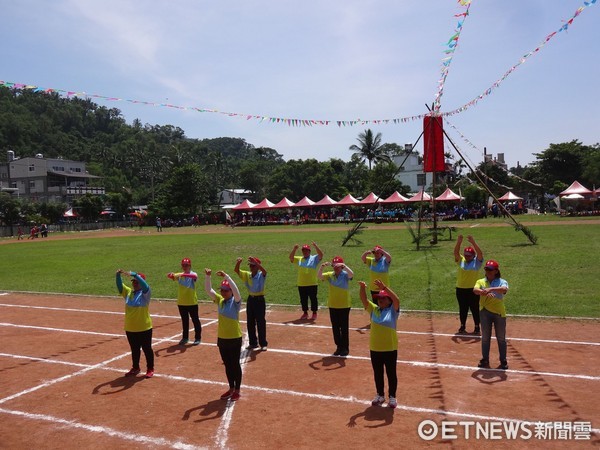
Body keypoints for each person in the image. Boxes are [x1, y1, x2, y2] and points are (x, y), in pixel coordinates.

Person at [358, 279, 400, 409]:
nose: (380, 300)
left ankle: (392, 397)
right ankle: (380, 395)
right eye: (378, 298)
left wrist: (385, 288)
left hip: (390, 348)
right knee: (378, 373)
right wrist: (363, 288)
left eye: (383, 298)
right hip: (375, 348)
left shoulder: (393, 311)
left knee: (391, 373)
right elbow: (364, 300)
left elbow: (397, 300)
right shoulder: (373, 309)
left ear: (388, 300)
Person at [204, 268, 243, 401]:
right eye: (222, 290)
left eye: (226, 290)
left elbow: (236, 290)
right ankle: (231, 387)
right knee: (227, 364)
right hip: (222, 339)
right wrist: (208, 276)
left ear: (231, 292)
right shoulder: (220, 300)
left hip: (235, 338)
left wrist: (227, 276)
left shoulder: (236, 302)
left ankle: (237, 389)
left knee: (235, 364)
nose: (223, 292)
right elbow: (209, 290)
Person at [115, 269, 154, 378]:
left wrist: (136, 275)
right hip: (130, 328)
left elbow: (145, 286)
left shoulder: (145, 293)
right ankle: (135, 367)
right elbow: (119, 286)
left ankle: (150, 368)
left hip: (144, 327)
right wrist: (118, 275)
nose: (134, 283)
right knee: (134, 349)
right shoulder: (128, 292)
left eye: (137, 282)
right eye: (133, 281)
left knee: (147, 349)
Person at [474, 260, 509, 370]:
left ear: (496, 271)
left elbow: (504, 289)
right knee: (485, 338)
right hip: (484, 312)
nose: (487, 271)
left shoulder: (502, 281)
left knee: (501, 338)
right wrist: (482, 291)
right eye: (486, 269)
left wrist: (491, 289)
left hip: (499, 313)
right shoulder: (481, 281)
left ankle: (503, 360)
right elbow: (475, 290)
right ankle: (485, 359)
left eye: (490, 270)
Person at [318, 256, 354, 356]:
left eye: (338, 265)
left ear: (341, 266)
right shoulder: (330, 275)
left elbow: (352, 274)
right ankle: (339, 346)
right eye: (334, 265)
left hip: (344, 305)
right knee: (335, 328)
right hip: (333, 305)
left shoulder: (345, 274)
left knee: (344, 327)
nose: (335, 267)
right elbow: (320, 276)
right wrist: (321, 267)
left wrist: (345, 266)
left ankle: (345, 348)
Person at [234, 256, 268, 351]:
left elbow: (265, 272)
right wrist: (238, 262)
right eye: (250, 266)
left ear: (257, 266)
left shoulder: (261, 275)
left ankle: (263, 343)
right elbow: (236, 270)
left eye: (253, 266)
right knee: (250, 322)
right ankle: (253, 343)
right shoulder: (247, 275)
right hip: (251, 300)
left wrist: (257, 263)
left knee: (261, 322)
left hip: (260, 300)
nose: (251, 268)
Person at [453, 235, 484, 335]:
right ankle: (462, 325)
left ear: (473, 255)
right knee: (463, 308)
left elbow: (480, 253)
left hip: (473, 289)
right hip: (460, 289)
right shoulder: (461, 260)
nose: (466, 257)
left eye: (469, 255)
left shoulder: (477, 262)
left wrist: (473, 243)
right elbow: (456, 253)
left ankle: (477, 327)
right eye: (465, 255)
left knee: (475, 308)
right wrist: (459, 242)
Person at [168, 258, 202, 346]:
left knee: (195, 320)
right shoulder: (180, 275)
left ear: (190, 266)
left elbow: (195, 277)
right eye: (183, 265)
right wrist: (171, 275)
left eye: (186, 265)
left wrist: (182, 274)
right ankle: (185, 338)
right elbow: (171, 277)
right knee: (184, 321)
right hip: (181, 302)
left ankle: (198, 338)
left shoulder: (192, 274)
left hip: (192, 302)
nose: (184, 267)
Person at [289, 242, 323, 320]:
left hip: (312, 283)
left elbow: (321, 255)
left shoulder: (314, 258)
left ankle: (314, 313)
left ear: (309, 251)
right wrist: (294, 249)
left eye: (306, 250)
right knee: (303, 299)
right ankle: (305, 313)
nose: (305, 252)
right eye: (303, 250)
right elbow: (291, 258)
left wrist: (316, 246)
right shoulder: (299, 259)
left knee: (313, 298)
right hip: (301, 283)